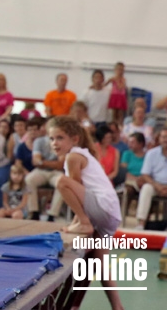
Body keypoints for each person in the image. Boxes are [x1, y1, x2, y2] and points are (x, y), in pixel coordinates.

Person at [46, 116, 124, 310]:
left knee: (61, 182)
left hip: (103, 209)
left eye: (60, 138)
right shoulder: (81, 154)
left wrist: (80, 222)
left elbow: (75, 190)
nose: (54, 143)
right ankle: (117, 306)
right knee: (99, 262)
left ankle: (84, 223)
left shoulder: (73, 157)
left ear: (74, 139)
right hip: (110, 214)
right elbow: (81, 195)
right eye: (52, 138)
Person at [26, 118, 66, 222]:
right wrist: (50, 163)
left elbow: (60, 165)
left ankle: (52, 214)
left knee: (63, 182)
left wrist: (43, 162)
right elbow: (35, 161)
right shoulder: (39, 141)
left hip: (56, 172)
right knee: (29, 179)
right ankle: (34, 212)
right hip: (41, 172)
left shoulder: (62, 141)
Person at [136, 128, 167, 229]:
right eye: (163, 137)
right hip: (155, 184)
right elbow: (145, 174)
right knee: (146, 189)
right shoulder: (151, 153)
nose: (165, 140)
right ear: (159, 139)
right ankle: (141, 224)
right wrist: (157, 186)